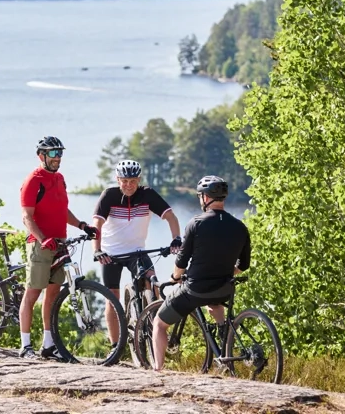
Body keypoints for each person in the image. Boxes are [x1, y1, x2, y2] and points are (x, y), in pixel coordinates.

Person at [151, 175, 251, 372]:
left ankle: (158, 369)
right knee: (215, 304)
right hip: (224, 288)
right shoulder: (240, 226)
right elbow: (244, 264)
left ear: (206, 198)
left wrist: (174, 278)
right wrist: (224, 271)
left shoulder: (196, 223)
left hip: (195, 290)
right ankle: (224, 336)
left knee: (159, 324)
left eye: (200, 196)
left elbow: (181, 261)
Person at [18, 135, 98, 359]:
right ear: (41, 155)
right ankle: (25, 346)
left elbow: (62, 211)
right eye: (53, 153)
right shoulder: (33, 180)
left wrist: (82, 225)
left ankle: (48, 345)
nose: (57, 158)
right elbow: (27, 217)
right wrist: (43, 238)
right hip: (40, 245)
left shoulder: (60, 179)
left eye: (60, 153)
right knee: (32, 294)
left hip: (60, 244)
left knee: (52, 296)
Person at [91, 159, 181, 347]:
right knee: (112, 297)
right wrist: (97, 250)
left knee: (153, 282)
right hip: (111, 254)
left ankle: (153, 326)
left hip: (137, 252)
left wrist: (176, 239)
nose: (129, 185)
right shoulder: (109, 195)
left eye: (132, 181)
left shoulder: (147, 195)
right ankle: (116, 345)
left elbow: (171, 217)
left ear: (138, 180)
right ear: (118, 179)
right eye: (124, 181)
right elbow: (97, 224)